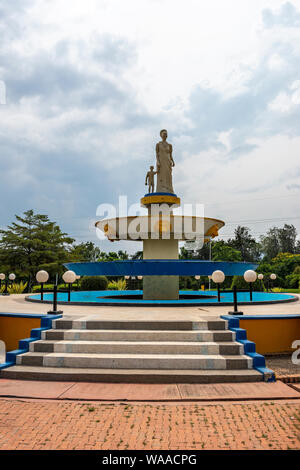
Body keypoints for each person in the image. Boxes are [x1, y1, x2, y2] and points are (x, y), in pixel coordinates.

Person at [155, 129, 175, 193]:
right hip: (161, 161)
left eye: (166, 134)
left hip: (168, 161)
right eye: (164, 134)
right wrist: (158, 161)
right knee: (161, 174)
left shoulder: (170, 145)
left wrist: (173, 161)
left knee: (168, 175)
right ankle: (161, 189)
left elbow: (170, 154)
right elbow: (157, 154)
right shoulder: (158, 144)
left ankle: (169, 189)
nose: (165, 135)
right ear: (161, 135)